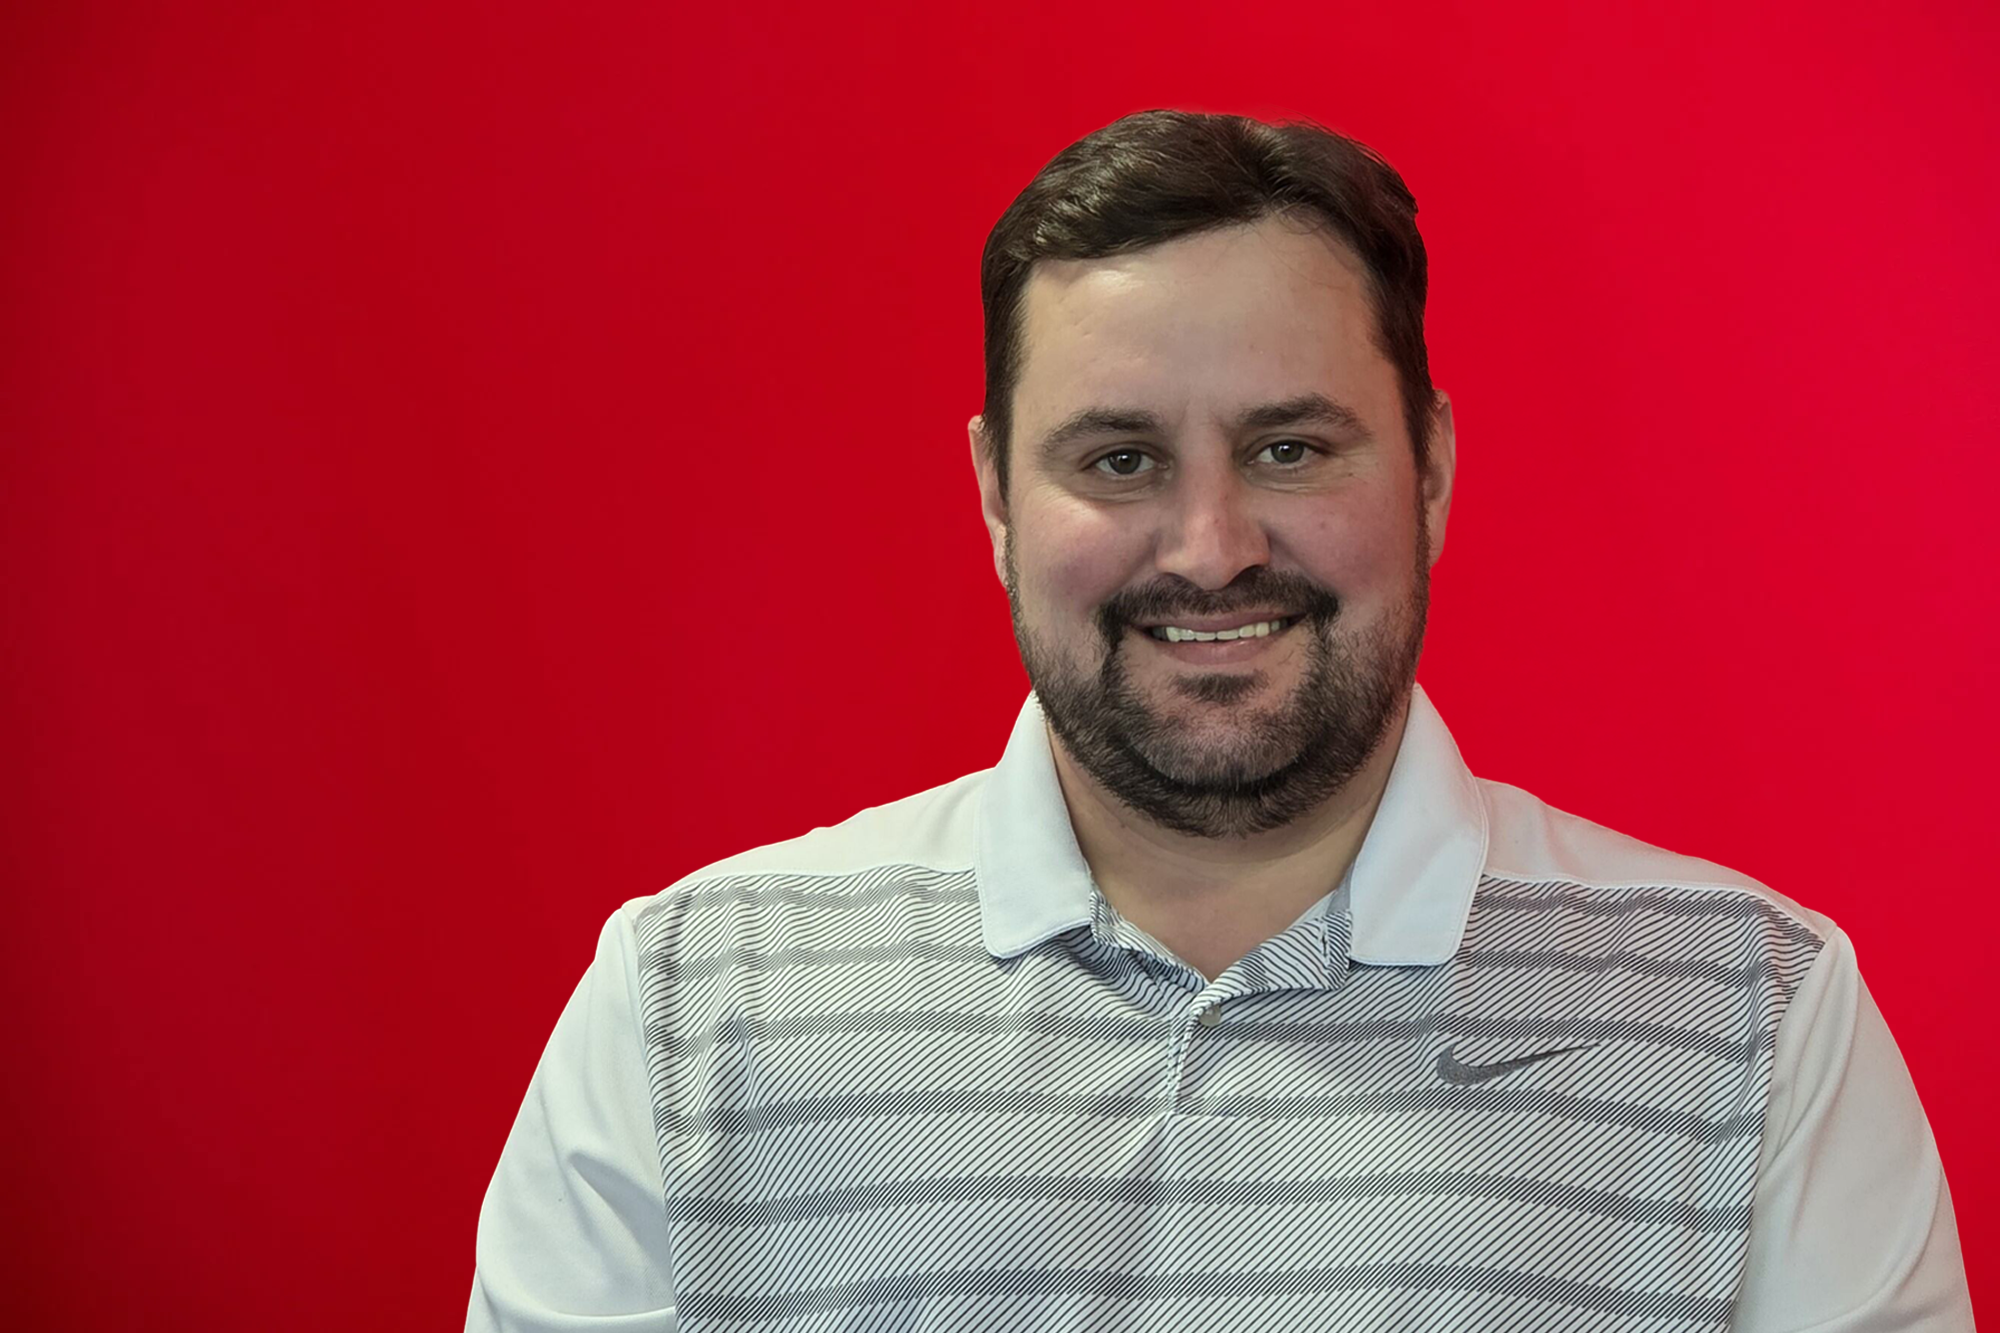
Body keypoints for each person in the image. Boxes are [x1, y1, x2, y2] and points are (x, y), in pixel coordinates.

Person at [466, 109, 1972, 1331]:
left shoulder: (1755, 1020)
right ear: (994, 495)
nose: (1209, 544)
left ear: (1430, 469)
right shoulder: (690, 1009)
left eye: (1292, 446)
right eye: (1119, 460)